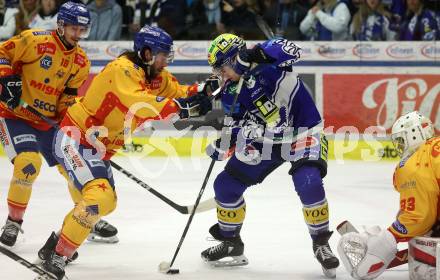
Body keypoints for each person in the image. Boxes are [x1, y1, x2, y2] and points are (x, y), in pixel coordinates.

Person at [39, 25, 213, 280]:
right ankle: (58, 257)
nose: (166, 61)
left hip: (96, 149)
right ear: (146, 52)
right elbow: (140, 105)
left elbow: (179, 93)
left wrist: (204, 91)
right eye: (162, 55)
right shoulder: (121, 70)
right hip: (76, 138)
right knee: (100, 198)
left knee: (105, 204)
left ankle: (54, 246)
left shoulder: (157, 76)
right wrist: (183, 108)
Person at [200, 33, 340, 278]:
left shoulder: (270, 60)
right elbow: (241, 122)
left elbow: (291, 48)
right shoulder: (232, 89)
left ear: (234, 59)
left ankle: (321, 243)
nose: (221, 74)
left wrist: (250, 55)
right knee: (225, 186)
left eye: (222, 67)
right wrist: (226, 141)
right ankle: (231, 241)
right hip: (265, 141)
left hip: (302, 132)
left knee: (309, 183)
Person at [0, 1, 117, 252]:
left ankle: (87, 216)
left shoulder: (80, 61)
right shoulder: (34, 40)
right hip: (15, 115)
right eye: (73, 28)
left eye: (82, 30)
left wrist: (76, 125)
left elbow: (67, 100)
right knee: (28, 164)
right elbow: (2, 53)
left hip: (48, 123)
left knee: (74, 168)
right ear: (61, 25)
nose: (77, 35)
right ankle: (13, 221)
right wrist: (7, 78)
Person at [338, 111, 438, 280]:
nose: (399, 146)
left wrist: (389, 238)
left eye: (401, 140)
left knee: (420, 222)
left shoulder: (414, 163)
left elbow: (420, 217)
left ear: (414, 134)